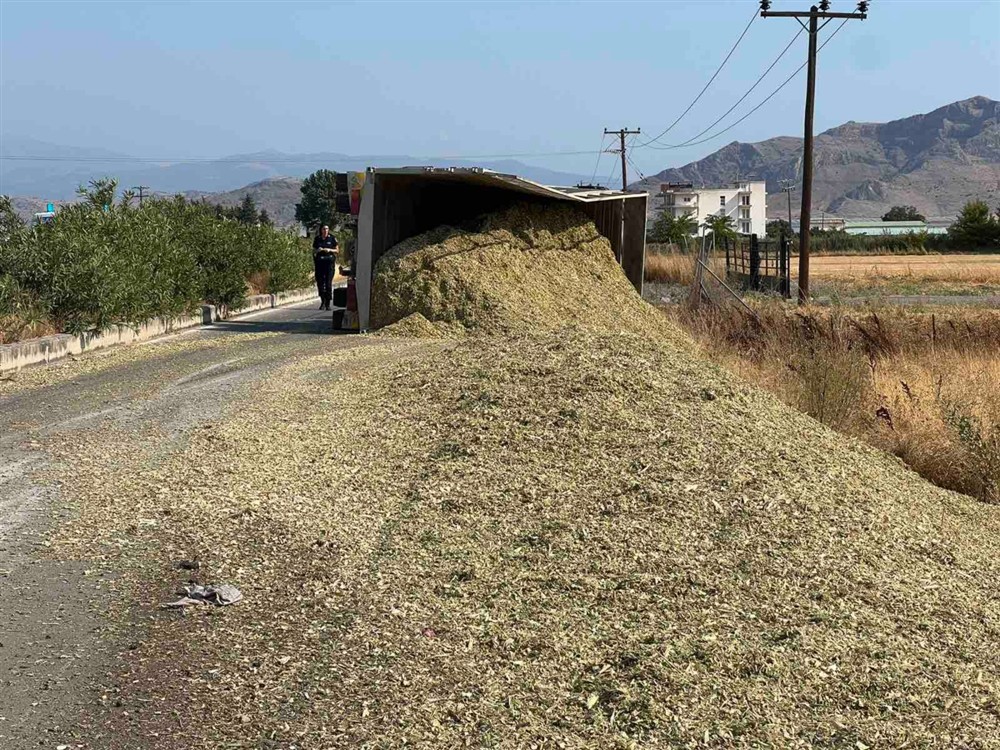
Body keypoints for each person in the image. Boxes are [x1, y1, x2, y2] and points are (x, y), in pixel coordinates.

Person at [312, 225, 338, 310]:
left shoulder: (332, 238)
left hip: (329, 264)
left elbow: (337, 250)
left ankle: (328, 303)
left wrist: (330, 250)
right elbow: (313, 250)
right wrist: (318, 250)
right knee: (320, 283)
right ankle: (322, 301)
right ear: (321, 230)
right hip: (319, 264)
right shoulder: (317, 239)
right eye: (324, 229)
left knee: (328, 284)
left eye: (327, 229)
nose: (325, 230)